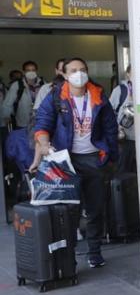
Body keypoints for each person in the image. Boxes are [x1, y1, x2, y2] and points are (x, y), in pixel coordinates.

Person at [30, 58, 119, 268]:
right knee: (69, 212)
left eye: (82, 70)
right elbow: (42, 122)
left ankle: (94, 252)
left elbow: (110, 128)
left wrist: (110, 156)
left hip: (94, 159)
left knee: (96, 209)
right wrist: (43, 143)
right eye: (73, 70)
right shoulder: (56, 97)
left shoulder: (98, 95)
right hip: (66, 161)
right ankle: (67, 256)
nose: (79, 73)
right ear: (64, 74)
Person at [109, 65, 137, 174]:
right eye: (134, 72)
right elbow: (109, 113)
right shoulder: (121, 90)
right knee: (124, 171)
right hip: (125, 139)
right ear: (128, 74)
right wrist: (116, 129)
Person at [2, 61, 44, 130]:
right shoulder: (17, 85)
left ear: (36, 71)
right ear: (24, 71)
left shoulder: (43, 84)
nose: (31, 72)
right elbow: (8, 102)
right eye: (28, 70)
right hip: (22, 122)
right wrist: (6, 116)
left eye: (33, 70)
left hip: (39, 122)